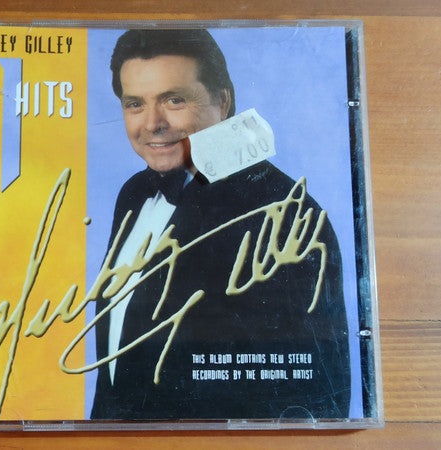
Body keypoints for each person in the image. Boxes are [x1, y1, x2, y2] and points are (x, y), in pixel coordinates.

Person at [90, 29, 350, 420]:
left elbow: (314, 405)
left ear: (223, 102)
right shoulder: (134, 193)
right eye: (135, 104)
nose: (153, 123)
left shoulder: (289, 217)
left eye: (174, 100)